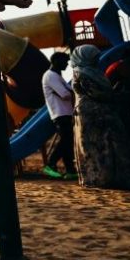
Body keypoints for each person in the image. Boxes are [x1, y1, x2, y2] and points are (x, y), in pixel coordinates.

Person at [70, 45, 130, 190]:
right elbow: (98, 93)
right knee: (98, 147)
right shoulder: (81, 73)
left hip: (106, 113)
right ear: (85, 57)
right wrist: (116, 95)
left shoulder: (95, 72)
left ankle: (119, 178)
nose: (97, 60)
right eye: (94, 57)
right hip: (91, 116)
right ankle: (101, 179)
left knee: (113, 145)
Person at [41, 52, 77, 180]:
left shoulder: (57, 76)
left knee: (68, 142)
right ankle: (50, 164)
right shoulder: (51, 76)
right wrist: (71, 92)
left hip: (65, 112)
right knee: (66, 140)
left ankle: (70, 170)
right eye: (64, 61)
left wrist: (70, 91)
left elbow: (69, 91)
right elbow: (65, 94)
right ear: (56, 61)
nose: (67, 64)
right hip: (60, 113)